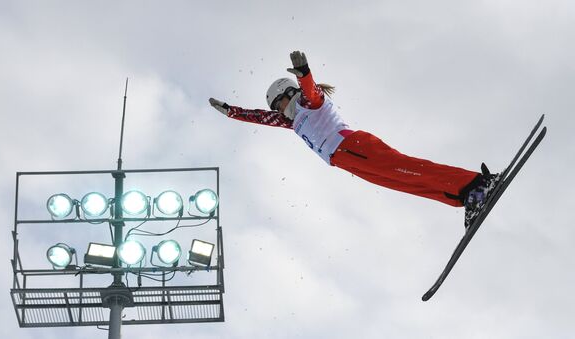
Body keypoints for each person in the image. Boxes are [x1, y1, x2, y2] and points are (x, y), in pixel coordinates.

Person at [209, 51, 499, 229]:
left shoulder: (310, 103)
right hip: (346, 161)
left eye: (279, 104)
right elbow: (259, 117)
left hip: (356, 147)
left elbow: (311, 92)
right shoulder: (293, 121)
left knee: (408, 168)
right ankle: (463, 197)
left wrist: (305, 75)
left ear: (288, 94)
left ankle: (475, 182)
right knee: (401, 183)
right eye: (276, 108)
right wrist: (232, 112)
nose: (278, 111)